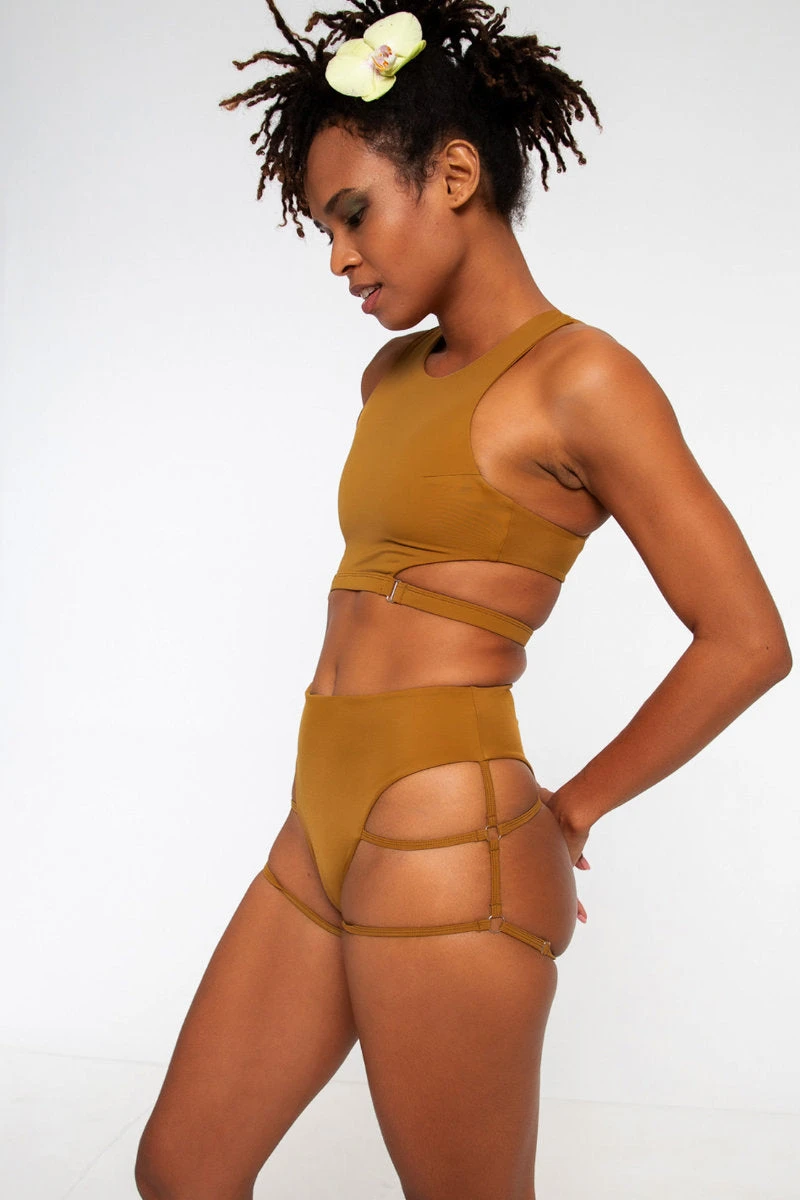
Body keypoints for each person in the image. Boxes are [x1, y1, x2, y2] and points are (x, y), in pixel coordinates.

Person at [134, 2, 792, 1198]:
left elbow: (746, 639)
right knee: (181, 1171)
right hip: (317, 821)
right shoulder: (388, 376)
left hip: (447, 841)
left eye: (351, 215)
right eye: (322, 229)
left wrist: (571, 810)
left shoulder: (581, 378)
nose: (338, 257)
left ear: (451, 175)